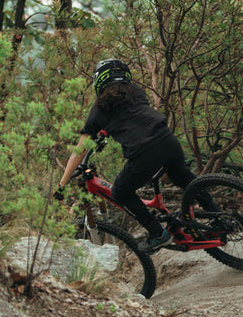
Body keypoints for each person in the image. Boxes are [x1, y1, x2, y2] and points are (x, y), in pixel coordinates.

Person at [55, 58, 203, 253]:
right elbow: (132, 117)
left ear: (99, 81)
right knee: (183, 177)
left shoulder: (99, 109)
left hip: (144, 153)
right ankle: (220, 215)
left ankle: (158, 234)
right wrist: (106, 131)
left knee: (120, 192)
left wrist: (62, 184)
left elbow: (80, 150)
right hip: (168, 140)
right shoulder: (136, 93)